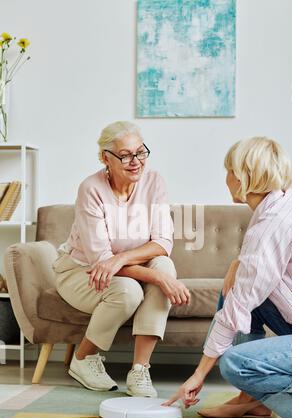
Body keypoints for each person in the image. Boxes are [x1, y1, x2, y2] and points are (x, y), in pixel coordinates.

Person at [164, 137, 292, 418]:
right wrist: (237, 264)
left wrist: (198, 375)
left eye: (228, 170)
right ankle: (251, 401)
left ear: (242, 178)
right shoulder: (285, 202)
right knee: (234, 288)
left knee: (235, 363)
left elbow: (235, 310)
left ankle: (257, 396)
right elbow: (259, 273)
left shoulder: (271, 226)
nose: (225, 177)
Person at [52, 121, 190, 397]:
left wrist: (121, 259)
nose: (135, 161)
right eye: (125, 155)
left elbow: (162, 242)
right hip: (81, 271)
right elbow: (100, 259)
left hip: (121, 266)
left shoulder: (154, 181)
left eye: (140, 152)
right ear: (106, 157)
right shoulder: (91, 189)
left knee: (165, 264)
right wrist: (159, 278)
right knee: (130, 290)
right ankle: (83, 359)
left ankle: (140, 370)